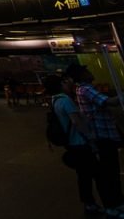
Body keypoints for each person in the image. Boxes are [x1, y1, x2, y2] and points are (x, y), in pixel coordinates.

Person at [46, 73, 106, 215]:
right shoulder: (66, 100)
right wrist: (91, 140)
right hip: (80, 144)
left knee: (83, 176)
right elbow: (77, 122)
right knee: (97, 175)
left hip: (71, 144)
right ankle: (104, 205)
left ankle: (89, 204)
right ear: (61, 84)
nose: (69, 84)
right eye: (66, 82)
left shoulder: (54, 100)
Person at [68, 63, 124, 214]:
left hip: (105, 136)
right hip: (102, 137)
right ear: (80, 75)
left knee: (111, 172)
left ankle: (116, 203)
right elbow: (108, 102)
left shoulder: (84, 89)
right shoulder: (86, 89)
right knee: (109, 174)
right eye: (86, 70)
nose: (89, 72)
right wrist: (120, 95)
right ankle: (112, 206)